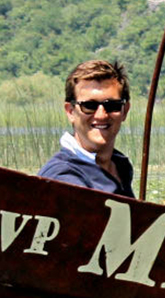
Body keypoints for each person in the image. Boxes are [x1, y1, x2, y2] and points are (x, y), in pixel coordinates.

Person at [37, 59, 135, 196]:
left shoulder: (121, 165)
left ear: (125, 111)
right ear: (70, 111)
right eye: (89, 106)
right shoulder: (61, 178)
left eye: (112, 106)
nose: (101, 115)